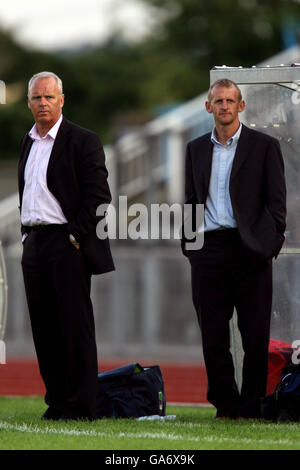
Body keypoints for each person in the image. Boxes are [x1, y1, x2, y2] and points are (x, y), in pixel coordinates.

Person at [181, 78, 286, 419]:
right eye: (218, 101)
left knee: (254, 334)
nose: (224, 106)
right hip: (209, 249)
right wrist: (191, 245)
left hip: (251, 251)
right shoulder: (195, 148)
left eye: (230, 100)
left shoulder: (264, 146)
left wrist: (268, 245)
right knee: (213, 335)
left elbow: (277, 206)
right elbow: (191, 201)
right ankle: (225, 405)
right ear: (207, 107)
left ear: (241, 106)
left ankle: (252, 405)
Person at [18, 71, 115, 421]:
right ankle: (57, 402)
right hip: (35, 243)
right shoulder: (27, 141)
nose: (42, 103)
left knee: (74, 327)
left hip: (67, 242)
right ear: (29, 103)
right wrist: (26, 234)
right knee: (44, 328)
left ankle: (81, 405)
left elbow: (99, 197)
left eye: (49, 97)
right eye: (36, 98)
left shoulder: (83, 140)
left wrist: (74, 235)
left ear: (62, 100)